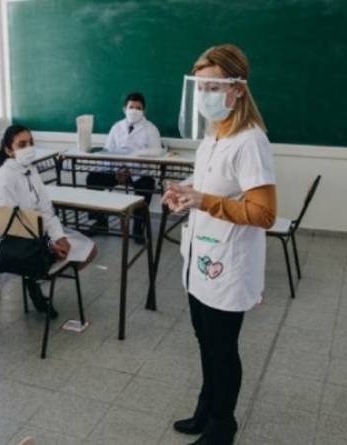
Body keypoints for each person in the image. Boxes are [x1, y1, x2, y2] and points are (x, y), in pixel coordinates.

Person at [163, 44, 277, 445]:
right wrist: (187, 191)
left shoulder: (250, 141)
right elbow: (212, 189)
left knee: (222, 348)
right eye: (200, 87)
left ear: (238, 89)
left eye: (214, 87)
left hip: (228, 263)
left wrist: (203, 200)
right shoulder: (215, 135)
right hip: (200, 256)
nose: (205, 96)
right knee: (204, 340)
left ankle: (222, 426)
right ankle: (205, 408)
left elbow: (264, 213)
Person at [0, 125, 98, 318]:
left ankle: (34, 278)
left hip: (37, 235)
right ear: (8, 150)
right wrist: (48, 244)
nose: (28, 148)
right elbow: (13, 226)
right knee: (62, 256)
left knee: (89, 250)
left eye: (31, 143)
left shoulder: (30, 169)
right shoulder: (4, 178)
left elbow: (45, 208)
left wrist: (58, 237)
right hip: (10, 244)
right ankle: (36, 278)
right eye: (22, 144)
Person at [85, 92, 163, 241]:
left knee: (146, 185)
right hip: (116, 170)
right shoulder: (117, 127)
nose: (134, 110)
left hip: (139, 172)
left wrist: (131, 170)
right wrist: (117, 170)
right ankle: (100, 222)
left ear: (144, 111)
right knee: (93, 178)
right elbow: (108, 151)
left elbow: (155, 155)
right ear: (124, 109)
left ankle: (138, 227)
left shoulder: (151, 129)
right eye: (131, 107)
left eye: (138, 108)